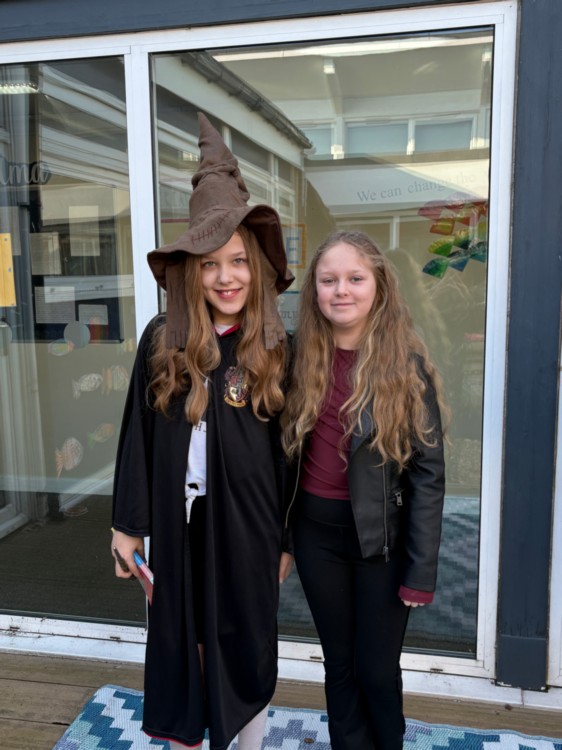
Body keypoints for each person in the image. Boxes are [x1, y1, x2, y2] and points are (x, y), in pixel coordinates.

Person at [111, 113, 294, 750]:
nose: (226, 277)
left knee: (247, 638)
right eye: (211, 263)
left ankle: (248, 742)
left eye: (238, 261)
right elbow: (137, 438)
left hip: (249, 525)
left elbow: (289, 455)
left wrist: (286, 539)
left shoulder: (275, 346)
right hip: (178, 521)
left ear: (257, 267)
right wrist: (127, 525)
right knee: (179, 637)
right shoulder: (163, 341)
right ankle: (187, 736)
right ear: (191, 270)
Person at [281, 230, 446, 750]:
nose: (341, 290)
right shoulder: (295, 358)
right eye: (328, 280)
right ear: (314, 290)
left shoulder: (405, 367)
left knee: (375, 670)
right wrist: (283, 539)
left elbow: (428, 474)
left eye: (355, 278)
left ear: (379, 286)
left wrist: (420, 571)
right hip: (316, 537)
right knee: (340, 665)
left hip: (381, 543)